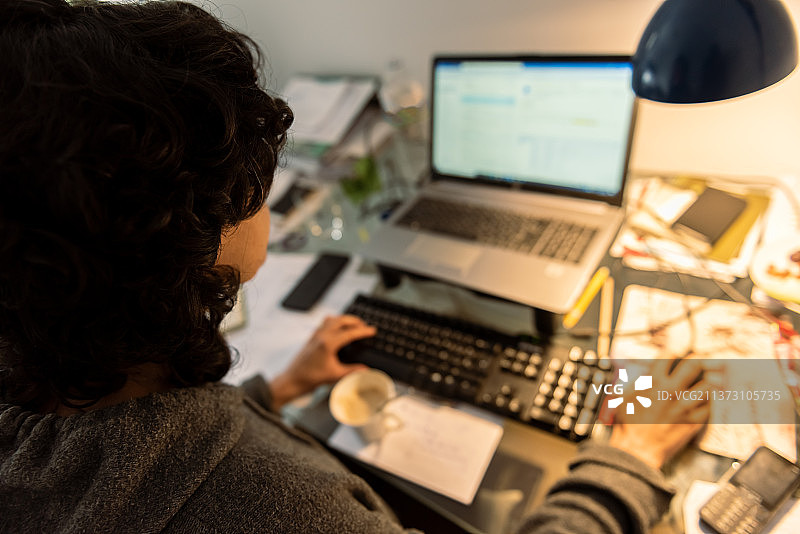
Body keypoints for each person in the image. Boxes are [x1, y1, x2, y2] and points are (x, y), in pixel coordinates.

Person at [0, 1, 710, 532]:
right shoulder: (285, 508)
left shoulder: (30, 383)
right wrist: (631, 462)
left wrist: (274, 391)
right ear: (184, 241)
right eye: (254, 183)